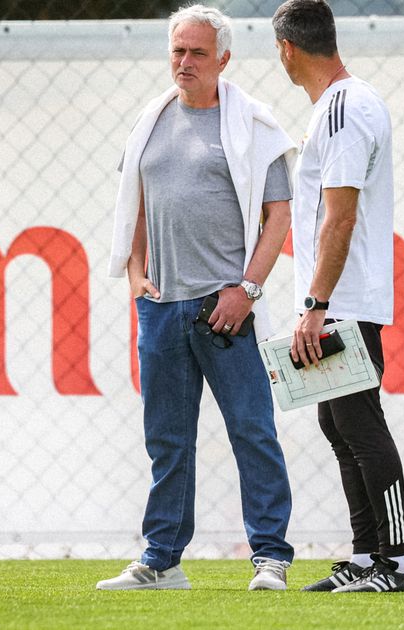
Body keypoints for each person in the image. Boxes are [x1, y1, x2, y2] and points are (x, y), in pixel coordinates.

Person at [100, 4, 296, 591]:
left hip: (223, 309)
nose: (184, 63)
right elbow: (132, 204)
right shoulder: (149, 122)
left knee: (252, 430)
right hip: (161, 307)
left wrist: (247, 290)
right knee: (166, 439)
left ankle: (271, 557)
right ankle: (162, 560)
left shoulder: (254, 126)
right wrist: (136, 274)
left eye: (197, 53)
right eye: (178, 51)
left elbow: (278, 216)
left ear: (224, 60)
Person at [272, 0, 404, 593]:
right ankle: (366, 557)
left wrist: (315, 305)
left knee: (361, 426)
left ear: (287, 49)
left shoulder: (343, 108)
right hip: (339, 299)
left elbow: (340, 215)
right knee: (340, 426)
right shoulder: (343, 104)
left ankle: (397, 564)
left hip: (343, 302)